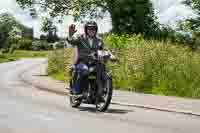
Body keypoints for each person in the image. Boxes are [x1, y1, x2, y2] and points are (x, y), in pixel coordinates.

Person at [66, 21, 104, 96]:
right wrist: (70, 34)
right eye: (89, 28)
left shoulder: (99, 40)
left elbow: (103, 50)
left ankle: (100, 92)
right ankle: (77, 92)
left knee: (102, 71)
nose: (91, 30)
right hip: (82, 62)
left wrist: (111, 56)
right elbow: (71, 41)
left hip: (94, 62)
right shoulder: (80, 38)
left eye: (93, 28)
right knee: (85, 70)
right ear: (86, 29)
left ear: (96, 30)